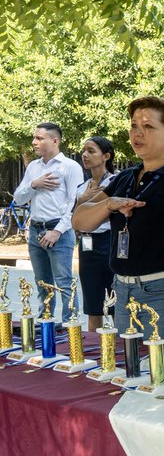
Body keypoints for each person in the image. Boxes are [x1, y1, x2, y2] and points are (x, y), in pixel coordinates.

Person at [72, 98, 164, 347]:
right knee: (132, 374)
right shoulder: (126, 177)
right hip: (123, 292)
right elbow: (80, 221)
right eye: (134, 126)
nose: (138, 133)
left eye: (149, 126)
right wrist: (109, 203)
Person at [14, 122, 84, 322]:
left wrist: (58, 231)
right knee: (42, 282)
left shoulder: (70, 167)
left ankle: (71, 327)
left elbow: (75, 204)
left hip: (58, 232)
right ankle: (46, 323)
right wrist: (34, 185)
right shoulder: (34, 167)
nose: (34, 142)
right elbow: (18, 198)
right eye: (34, 138)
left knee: (64, 282)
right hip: (36, 230)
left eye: (39, 138)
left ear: (55, 140)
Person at [73, 136, 117, 331]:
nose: (85, 155)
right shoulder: (82, 188)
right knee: (92, 301)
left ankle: (118, 344)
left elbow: (111, 215)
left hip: (109, 241)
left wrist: (94, 209)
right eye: (84, 151)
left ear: (106, 156)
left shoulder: (115, 182)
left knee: (114, 299)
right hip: (86, 243)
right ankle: (94, 347)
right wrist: (83, 201)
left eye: (91, 151)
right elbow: (74, 220)